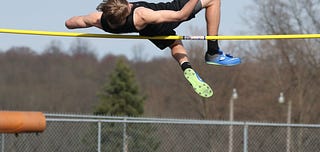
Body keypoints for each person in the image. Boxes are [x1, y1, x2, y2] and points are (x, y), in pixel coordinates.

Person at [65, 0, 241, 98]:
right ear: (126, 7)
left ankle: (187, 67)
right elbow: (182, 15)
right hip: (162, 16)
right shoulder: (141, 14)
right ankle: (213, 52)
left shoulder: (100, 20)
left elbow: (70, 23)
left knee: (174, 43)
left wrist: (80, 20)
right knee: (213, 0)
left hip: (147, 30)